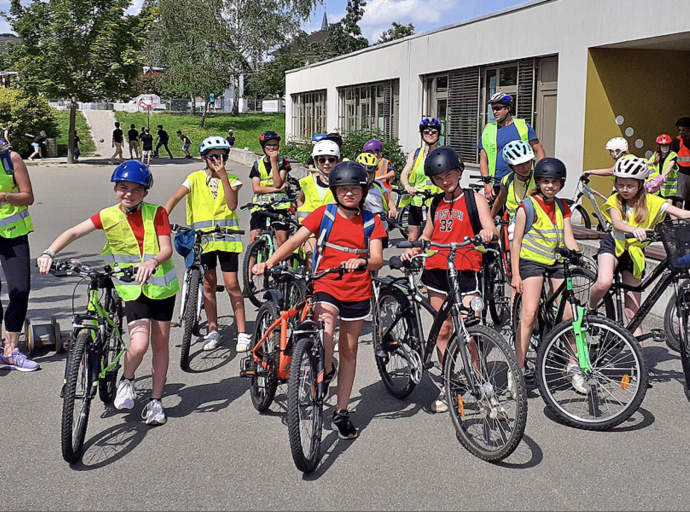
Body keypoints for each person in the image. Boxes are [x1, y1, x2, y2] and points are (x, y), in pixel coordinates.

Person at [37, 161, 179, 425]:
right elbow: (73, 232)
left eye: (136, 189)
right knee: (139, 344)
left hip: (161, 286)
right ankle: (127, 380)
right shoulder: (108, 215)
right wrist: (49, 252)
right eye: (123, 187)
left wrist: (152, 262)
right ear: (116, 189)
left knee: (161, 345)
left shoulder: (157, 213)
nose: (129, 193)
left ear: (145, 192)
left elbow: (166, 249)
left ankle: (156, 401)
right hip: (129, 286)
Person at [253, 161, 386, 439]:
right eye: (343, 189)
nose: (349, 194)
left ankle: (341, 412)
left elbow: (377, 260)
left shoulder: (372, 222)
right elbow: (293, 241)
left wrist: (360, 260)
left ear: (363, 191)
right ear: (335, 191)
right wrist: (269, 262)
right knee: (325, 332)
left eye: (354, 189)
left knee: (349, 351)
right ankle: (323, 369)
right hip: (325, 284)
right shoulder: (323, 214)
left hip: (357, 292)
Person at [401, 146, 497, 412]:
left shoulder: (473, 199)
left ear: (459, 172)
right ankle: (447, 384)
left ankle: (480, 384)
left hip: (465, 268)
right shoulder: (435, 203)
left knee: (467, 330)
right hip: (436, 269)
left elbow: (490, 226)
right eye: (439, 178)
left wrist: (488, 233)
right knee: (444, 329)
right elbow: (429, 237)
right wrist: (416, 247)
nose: (445, 181)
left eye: (449, 174)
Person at [164, 137, 251, 353]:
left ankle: (242, 332)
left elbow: (232, 204)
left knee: (232, 284)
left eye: (222, 156)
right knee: (209, 284)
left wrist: (223, 177)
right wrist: (162, 220)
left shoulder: (233, 180)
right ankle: (213, 330)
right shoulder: (193, 178)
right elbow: (175, 197)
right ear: (205, 158)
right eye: (213, 157)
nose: (218, 160)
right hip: (203, 239)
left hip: (227, 238)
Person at [588, 157, 690, 333]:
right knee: (604, 282)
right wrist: (634, 229)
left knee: (633, 313)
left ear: (641, 184)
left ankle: (638, 354)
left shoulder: (652, 201)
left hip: (634, 253)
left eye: (630, 186)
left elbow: (681, 213)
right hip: (614, 245)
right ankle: (590, 308)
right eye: (620, 185)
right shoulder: (615, 200)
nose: (624, 190)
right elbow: (617, 223)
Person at [511, 158, 580, 390]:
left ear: (561, 184)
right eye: (545, 181)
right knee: (529, 314)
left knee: (570, 315)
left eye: (555, 182)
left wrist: (578, 256)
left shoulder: (563, 207)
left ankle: (573, 366)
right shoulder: (527, 207)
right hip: (532, 262)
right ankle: (517, 367)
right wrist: (515, 275)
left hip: (556, 261)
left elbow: (568, 237)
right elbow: (516, 242)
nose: (550, 186)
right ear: (538, 182)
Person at [0, 141, 38, 371]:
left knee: (20, 290)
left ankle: (11, 350)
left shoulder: (10, 159)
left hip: (13, 235)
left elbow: (28, 197)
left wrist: (6, 197)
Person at [478, 92, 545, 200]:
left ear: (508, 108)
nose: (494, 112)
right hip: (497, 184)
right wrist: (486, 184)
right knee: (494, 215)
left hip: (523, 182)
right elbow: (483, 159)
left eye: (498, 108)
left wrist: (540, 175)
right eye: (493, 108)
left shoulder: (523, 126)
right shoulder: (488, 130)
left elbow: (539, 150)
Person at [399, 118, 443, 241]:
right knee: (412, 238)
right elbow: (404, 174)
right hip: (417, 201)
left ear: (439, 134)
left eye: (433, 132)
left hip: (436, 203)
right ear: (422, 134)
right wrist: (407, 185)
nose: (430, 134)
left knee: (434, 238)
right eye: (426, 132)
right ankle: (411, 260)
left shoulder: (443, 153)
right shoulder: (416, 153)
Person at [297, 139, 339, 264]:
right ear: (316, 161)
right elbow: (300, 201)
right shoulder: (307, 182)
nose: (326, 163)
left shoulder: (342, 183)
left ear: (337, 161)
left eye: (331, 159)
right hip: (310, 232)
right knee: (312, 260)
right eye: (322, 160)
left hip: (334, 232)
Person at [249, 131, 291, 246]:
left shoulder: (283, 163)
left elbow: (277, 182)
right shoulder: (257, 165)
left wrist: (274, 162)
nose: (272, 148)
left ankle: (285, 264)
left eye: (274, 145)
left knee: (282, 240)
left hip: (280, 206)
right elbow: (256, 189)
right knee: (253, 239)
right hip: (260, 206)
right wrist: (277, 190)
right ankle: (250, 264)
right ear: (263, 147)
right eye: (269, 145)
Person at [490, 140, 537, 226]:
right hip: (512, 224)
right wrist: (489, 220)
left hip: (534, 225)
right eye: (519, 164)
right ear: (511, 167)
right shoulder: (507, 180)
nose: (525, 167)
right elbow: (500, 200)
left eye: (527, 162)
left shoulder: (538, 179)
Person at [357, 152, 396, 223]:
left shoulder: (378, 185)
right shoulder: (356, 189)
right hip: (365, 223)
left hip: (381, 223)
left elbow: (388, 200)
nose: (369, 175)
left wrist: (392, 209)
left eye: (371, 172)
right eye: (366, 172)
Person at [645, 134, 678, 202]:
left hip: (668, 188)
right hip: (656, 186)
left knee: (669, 205)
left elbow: (670, 166)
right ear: (659, 146)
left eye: (666, 145)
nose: (664, 148)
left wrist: (663, 176)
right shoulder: (656, 154)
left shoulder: (673, 155)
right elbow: (648, 164)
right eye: (662, 146)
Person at [671, 117, 690, 208]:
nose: (681, 133)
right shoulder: (677, 141)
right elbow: (671, 156)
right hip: (682, 172)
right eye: (679, 130)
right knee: (680, 197)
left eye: (684, 130)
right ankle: (679, 218)